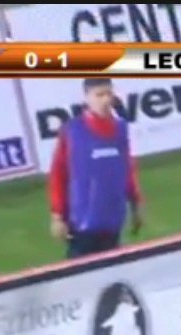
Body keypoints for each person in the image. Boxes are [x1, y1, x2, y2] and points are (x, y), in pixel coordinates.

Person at [48, 78, 143, 258]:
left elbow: (127, 169)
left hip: (113, 219)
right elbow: (58, 174)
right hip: (82, 222)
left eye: (109, 94)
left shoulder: (121, 128)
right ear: (87, 98)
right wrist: (57, 215)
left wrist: (136, 203)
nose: (106, 100)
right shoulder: (72, 131)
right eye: (99, 95)